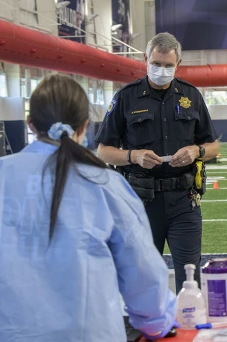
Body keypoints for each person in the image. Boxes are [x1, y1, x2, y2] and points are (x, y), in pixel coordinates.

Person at [0, 74, 177, 341]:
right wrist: (156, 323)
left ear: (30, 124)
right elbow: (142, 272)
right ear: (84, 126)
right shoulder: (106, 183)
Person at [96, 32, 220, 293]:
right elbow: (103, 151)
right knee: (142, 277)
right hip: (140, 202)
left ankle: (188, 326)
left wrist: (196, 151)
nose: (161, 70)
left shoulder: (192, 96)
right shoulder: (125, 98)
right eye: (156, 63)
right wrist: (133, 156)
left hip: (184, 201)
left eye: (167, 65)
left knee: (189, 276)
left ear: (178, 64)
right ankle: (149, 331)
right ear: (145, 59)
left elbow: (214, 146)